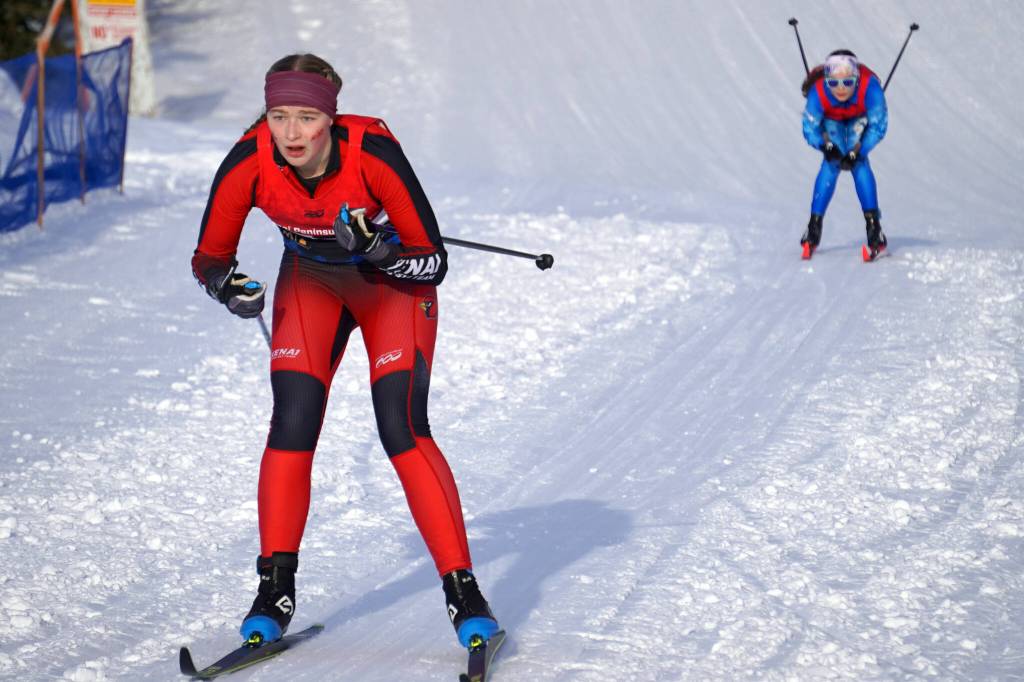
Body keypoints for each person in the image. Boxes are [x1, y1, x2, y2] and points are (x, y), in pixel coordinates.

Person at [191, 53, 499, 650]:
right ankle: (273, 591)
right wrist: (229, 288)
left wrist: (379, 252)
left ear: (330, 118)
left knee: (401, 427)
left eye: (307, 117)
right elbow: (209, 256)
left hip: (392, 288)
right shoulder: (249, 160)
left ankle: (465, 595)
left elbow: (433, 259)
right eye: (279, 116)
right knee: (292, 422)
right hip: (311, 281)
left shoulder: (373, 155)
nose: (291, 133)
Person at [800, 49, 889, 260]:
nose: (841, 89)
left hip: (859, 118)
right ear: (826, 80)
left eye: (848, 83)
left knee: (859, 164)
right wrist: (825, 146)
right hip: (832, 121)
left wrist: (859, 151)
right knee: (831, 164)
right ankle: (814, 226)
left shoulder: (871, 88)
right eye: (834, 83)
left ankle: (874, 227)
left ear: (857, 79)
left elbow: (878, 126)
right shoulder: (819, 92)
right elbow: (810, 127)